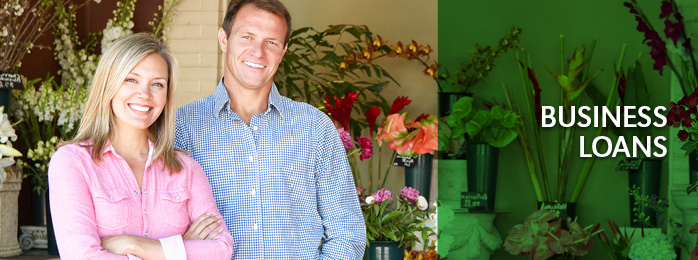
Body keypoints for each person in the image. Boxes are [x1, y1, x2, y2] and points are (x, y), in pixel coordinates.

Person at [174, 0, 366, 258]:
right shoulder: (180, 129)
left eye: (272, 42)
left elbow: (347, 232)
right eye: (247, 37)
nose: (258, 52)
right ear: (224, 39)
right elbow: (155, 225)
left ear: (284, 50)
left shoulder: (314, 128)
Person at [49, 32, 234, 259]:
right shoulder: (72, 162)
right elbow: (82, 256)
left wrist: (133, 245)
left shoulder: (187, 169)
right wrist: (177, 250)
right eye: (131, 80)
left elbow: (221, 250)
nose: (145, 94)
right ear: (109, 84)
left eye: (157, 84)